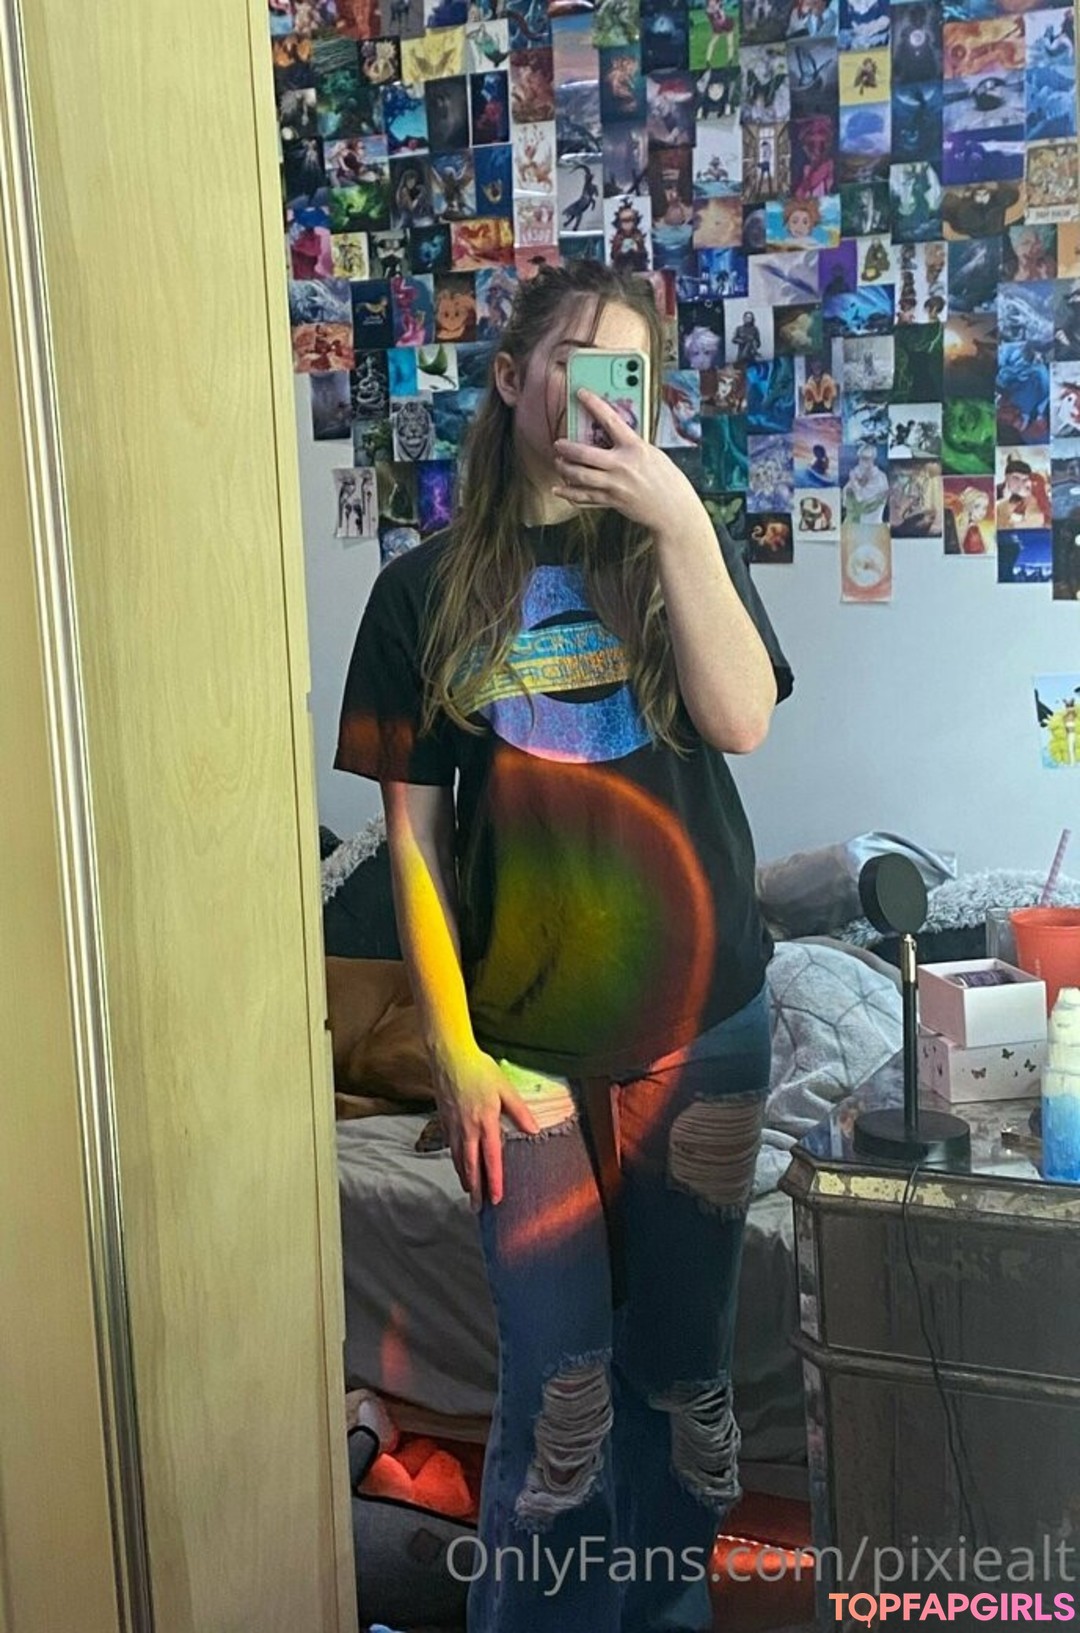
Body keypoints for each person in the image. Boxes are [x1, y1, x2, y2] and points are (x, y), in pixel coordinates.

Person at [335, 260, 793, 1633]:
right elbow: (413, 849)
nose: (602, 396)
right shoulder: (420, 593)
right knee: (559, 1388)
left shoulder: (678, 551)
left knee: (685, 1377)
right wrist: (456, 1059)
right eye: (577, 362)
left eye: (629, 372)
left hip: (706, 1030)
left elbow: (743, 721)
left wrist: (681, 518)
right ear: (511, 379)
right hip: (520, 1050)